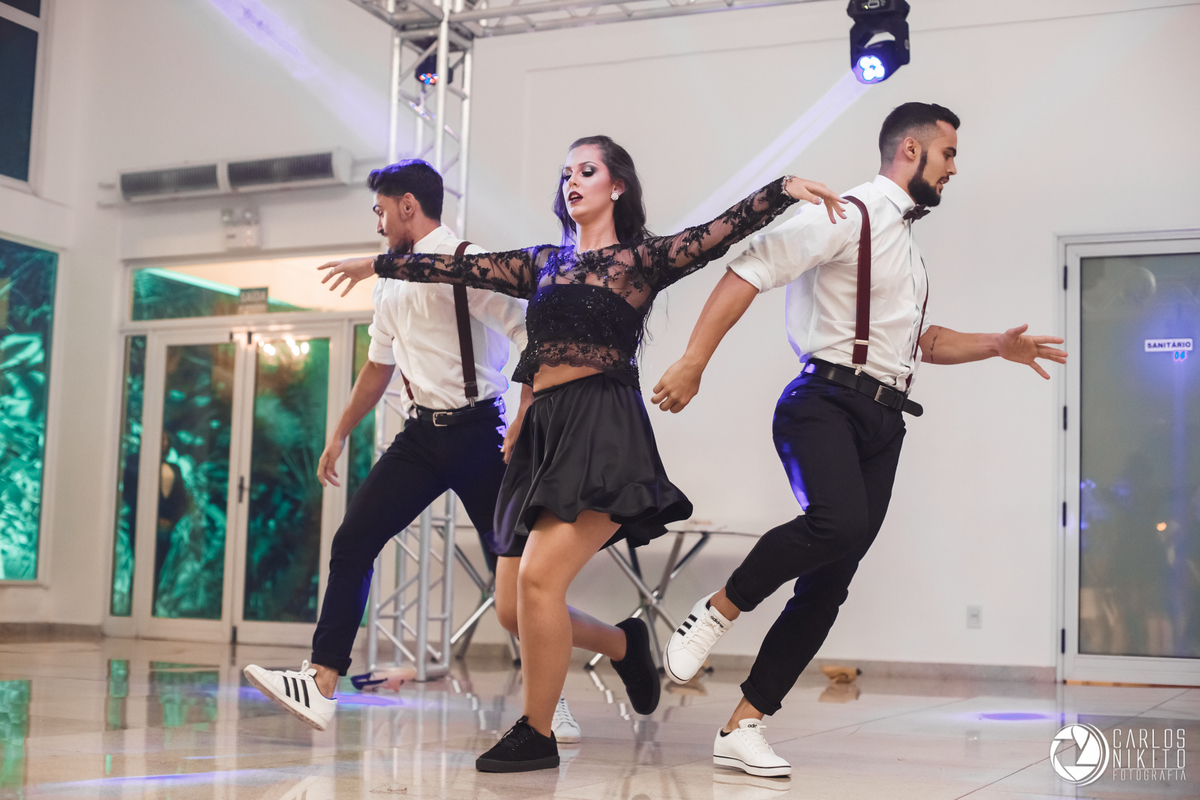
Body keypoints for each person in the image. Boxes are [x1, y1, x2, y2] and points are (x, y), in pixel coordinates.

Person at [319, 135, 845, 772]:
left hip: (601, 432)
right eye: (566, 173)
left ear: (615, 185)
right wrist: (377, 266)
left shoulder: (641, 261)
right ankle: (626, 643)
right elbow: (453, 269)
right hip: (541, 439)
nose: (572, 182)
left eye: (587, 171)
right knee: (513, 605)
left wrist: (782, 190)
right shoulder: (543, 263)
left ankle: (536, 733)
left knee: (540, 580)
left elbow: (714, 235)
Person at [655, 103, 1068, 778]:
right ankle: (717, 610)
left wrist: (997, 345)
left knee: (831, 580)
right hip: (823, 402)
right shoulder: (846, 212)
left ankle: (744, 726)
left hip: (883, 418)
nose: (956, 167)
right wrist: (694, 359)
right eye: (950, 154)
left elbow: (920, 344)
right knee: (836, 522)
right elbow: (748, 268)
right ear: (911, 150)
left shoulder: (906, 244)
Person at [243, 159, 563, 734]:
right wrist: (339, 432)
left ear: (407, 206)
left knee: (511, 575)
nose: (378, 223)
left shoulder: (467, 263)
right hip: (420, 435)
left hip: (480, 433)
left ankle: (549, 698)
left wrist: (523, 414)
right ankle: (321, 682)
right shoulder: (390, 281)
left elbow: (532, 335)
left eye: (380, 211)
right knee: (354, 540)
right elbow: (377, 367)